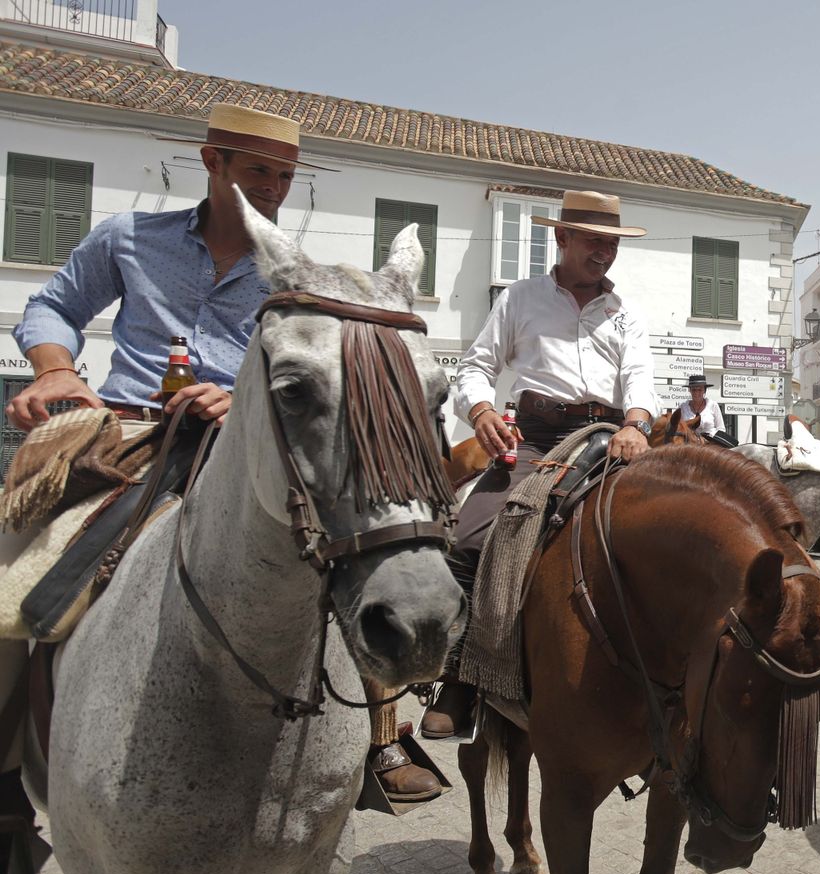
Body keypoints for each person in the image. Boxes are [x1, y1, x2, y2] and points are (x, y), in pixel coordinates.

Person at [0, 104, 441, 805]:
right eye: (258, 169)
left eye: (285, 174)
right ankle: (7, 772)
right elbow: (52, 308)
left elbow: (316, 365)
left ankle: (379, 735)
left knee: (352, 555)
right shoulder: (130, 238)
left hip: (251, 447)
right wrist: (56, 368)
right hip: (134, 435)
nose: (272, 185)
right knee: (18, 578)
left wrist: (243, 403)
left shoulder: (299, 272)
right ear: (214, 164)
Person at [421, 189, 657, 738]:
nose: (603, 253)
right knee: (471, 539)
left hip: (609, 436)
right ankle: (461, 678)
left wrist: (637, 424)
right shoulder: (521, 298)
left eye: (611, 243)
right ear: (562, 237)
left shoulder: (628, 315)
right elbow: (475, 367)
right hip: (533, 437)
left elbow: (639, 379)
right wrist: (480, 411)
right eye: (594, 241)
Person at [677, 372, 727, 439]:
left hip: (711, 443)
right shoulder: (683, 407)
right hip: (690, 443)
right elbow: (678, 428)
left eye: (700, 390)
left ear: (704, 391)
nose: (696, 393)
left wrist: (713, 440)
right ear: (690, 391)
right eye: (694, 390)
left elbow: (721, 428)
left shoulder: (713, 405)